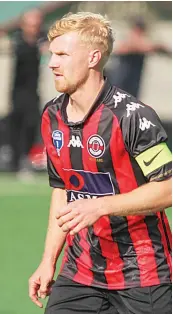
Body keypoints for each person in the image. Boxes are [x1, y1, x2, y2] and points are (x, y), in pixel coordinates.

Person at [29, 12, 172, 314]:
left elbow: (168, 188)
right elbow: (62, 191)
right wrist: (47, 260)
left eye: (63, 54)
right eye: (52, 54)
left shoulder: (133, 116)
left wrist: (100, 205)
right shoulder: (52, 116)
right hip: (79, 271)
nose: (52, 63)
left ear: (93, 57)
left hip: (142, 272)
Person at [9, 8, 47, 175]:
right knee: (16, 125)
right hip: (17, 91)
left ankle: (28, 159)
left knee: (32, 125)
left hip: (36, 90)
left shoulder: (44, 39)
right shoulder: (16, 41)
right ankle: (15, 161)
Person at [104, 16, 171, 97]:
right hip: (121, 82)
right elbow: (134, 46)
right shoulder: (130, 40)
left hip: (130, 84)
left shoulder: (140, 41)